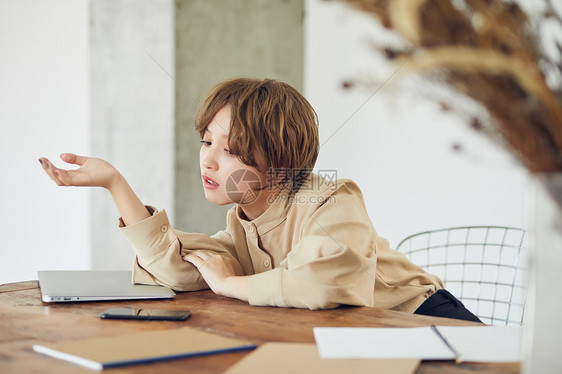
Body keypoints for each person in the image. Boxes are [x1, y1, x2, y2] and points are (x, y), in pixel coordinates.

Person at [39, 78, 481, 322]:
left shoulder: (327, 199)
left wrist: (233, 284)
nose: (207, 161)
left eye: (228, 149)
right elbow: (179, 268)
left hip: (426, 321)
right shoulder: (244, 222)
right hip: (361, 338)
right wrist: (116, 184)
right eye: (205, 141)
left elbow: (324, 283)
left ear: (279, 156)